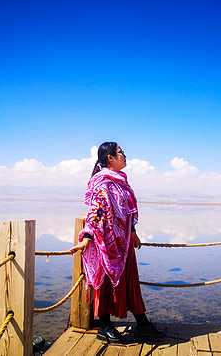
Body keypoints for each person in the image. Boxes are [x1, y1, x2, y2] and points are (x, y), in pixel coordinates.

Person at [70, 142, 165, 343]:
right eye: (121, 153)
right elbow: (95, 212)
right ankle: (104, 325)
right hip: (106, 243)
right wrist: (86, 238)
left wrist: (132, 232)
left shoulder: (121, 182)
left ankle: (142, 324)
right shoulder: (102, 183)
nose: (125, 156)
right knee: (105, 284)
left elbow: (127, 212)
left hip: (124, 243)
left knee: (130, 283)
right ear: (110, 158)